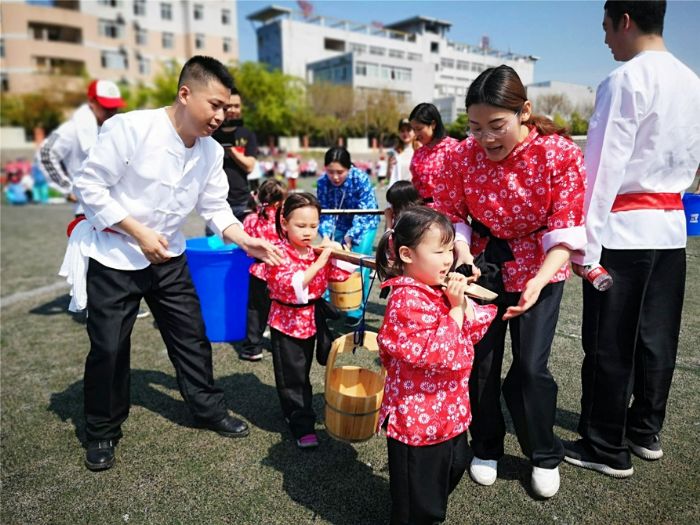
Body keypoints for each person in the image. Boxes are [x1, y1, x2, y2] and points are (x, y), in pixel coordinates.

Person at [71, 55, 284, 472]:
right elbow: (89, 186)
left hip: (168, 257)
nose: (221, 116)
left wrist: (246, 240)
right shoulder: (131, 128)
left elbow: (216, 208)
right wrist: (137, 232)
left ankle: (207, 408)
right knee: (109, 347)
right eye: (215, 105)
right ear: (185, 94)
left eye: (226, 108)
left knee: (191, 334)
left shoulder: (209, 152)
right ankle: (101, 430)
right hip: (115, 255)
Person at [433, 65, 586, 498]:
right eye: (475, 127)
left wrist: (538, 281)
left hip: (542, 263)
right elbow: (451, 214)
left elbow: (566, 226)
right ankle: (485, 445)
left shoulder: (558, 153)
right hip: (483, 263)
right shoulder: (460, 155)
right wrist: (462, 252)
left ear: (524, 113)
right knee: (480, 360)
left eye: (496, 126)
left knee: (531, 366)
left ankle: (542, 453)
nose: (485, 138)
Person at [563, 1, 700, 479]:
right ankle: (644, 430)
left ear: (624, 20)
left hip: (622, 232)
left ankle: (604, 444)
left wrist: (587, 248)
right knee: (657, 336)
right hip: (670, 230)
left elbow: (600, 171)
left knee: (609, 339)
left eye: (605, 28)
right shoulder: (693, 81)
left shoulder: (624, 81)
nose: (604, 40)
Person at [374, 206, 496, 525]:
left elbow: (475, 330)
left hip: (448, 412)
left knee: (453, 466)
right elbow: (437, 355)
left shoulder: (435, 289)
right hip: (417, 419)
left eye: (450, 249)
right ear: (407, 254)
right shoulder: (405, 300)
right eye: (439, 250)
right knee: (418, 501)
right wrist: (455, 310)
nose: (447, 259)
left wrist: (462, 302)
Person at [264, 192, 352, 448]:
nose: (308, 232)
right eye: (300, 226)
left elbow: (340, 275)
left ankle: (299, 410)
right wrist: (321, 260)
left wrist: (338, 252)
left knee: (318, 366)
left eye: (313, 226)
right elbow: (293, 284)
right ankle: (300, 422)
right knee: (293, 375)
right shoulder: (277, 252)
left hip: (314, 318)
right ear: (284, 223)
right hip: (287, 322)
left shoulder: (314, 250)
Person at [36, 79, 125, 214]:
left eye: (114, 107)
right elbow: (45, 153)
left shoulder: (116, 127)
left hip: (119, 209)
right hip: (87, 210)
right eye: (106, 107)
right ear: (91, 102)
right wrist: (67, 188)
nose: (111, 111)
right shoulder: (72, 129)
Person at [317, 147, 380, 327]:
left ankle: (356, 310)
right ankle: (331, 303)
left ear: (349, 168)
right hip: (338, 223)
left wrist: (350, 237)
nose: (335, 177)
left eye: (340, 172)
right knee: (332, 261)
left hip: (364, 223)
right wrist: (327, 236)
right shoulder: (322, 182)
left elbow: (365, 211)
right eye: (330, 172)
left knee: (358, 264)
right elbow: (325, 213)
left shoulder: (360, 179)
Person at [239, 179, 286, 361]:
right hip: (281, 271)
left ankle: (253, 347)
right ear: (278, 202)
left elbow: (245, 244)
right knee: (279, 309)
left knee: (255, 310)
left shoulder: (250, 219)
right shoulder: (284, 220)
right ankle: (280, 346)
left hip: (258, 271)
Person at [211, 87, 258, 222]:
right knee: (214, 242)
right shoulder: (210, 132)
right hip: (215, 202)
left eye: (236, 106)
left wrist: (230, 149)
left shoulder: (247, 134)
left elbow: (249, 166)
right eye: (228, 106)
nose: (232, 110)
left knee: (243, 242)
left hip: (241, 201)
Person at [409, 103, 458, 204]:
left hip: (449, 213)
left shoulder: (453, 148)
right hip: (423, 212)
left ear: (433, 124)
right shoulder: (418, 153)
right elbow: (416, 186)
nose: (416, 134)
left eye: (419, 129)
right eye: (414, 129)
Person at [387, 117, 418, 189]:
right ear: (399, 133)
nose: (405, 133)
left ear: (414, 132)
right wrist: (389, 166)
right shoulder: (393, 152)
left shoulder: (420, 150)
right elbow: (388, 178)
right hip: (400, 193)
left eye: (408, 130)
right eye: (402, 131)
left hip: (415, 193)